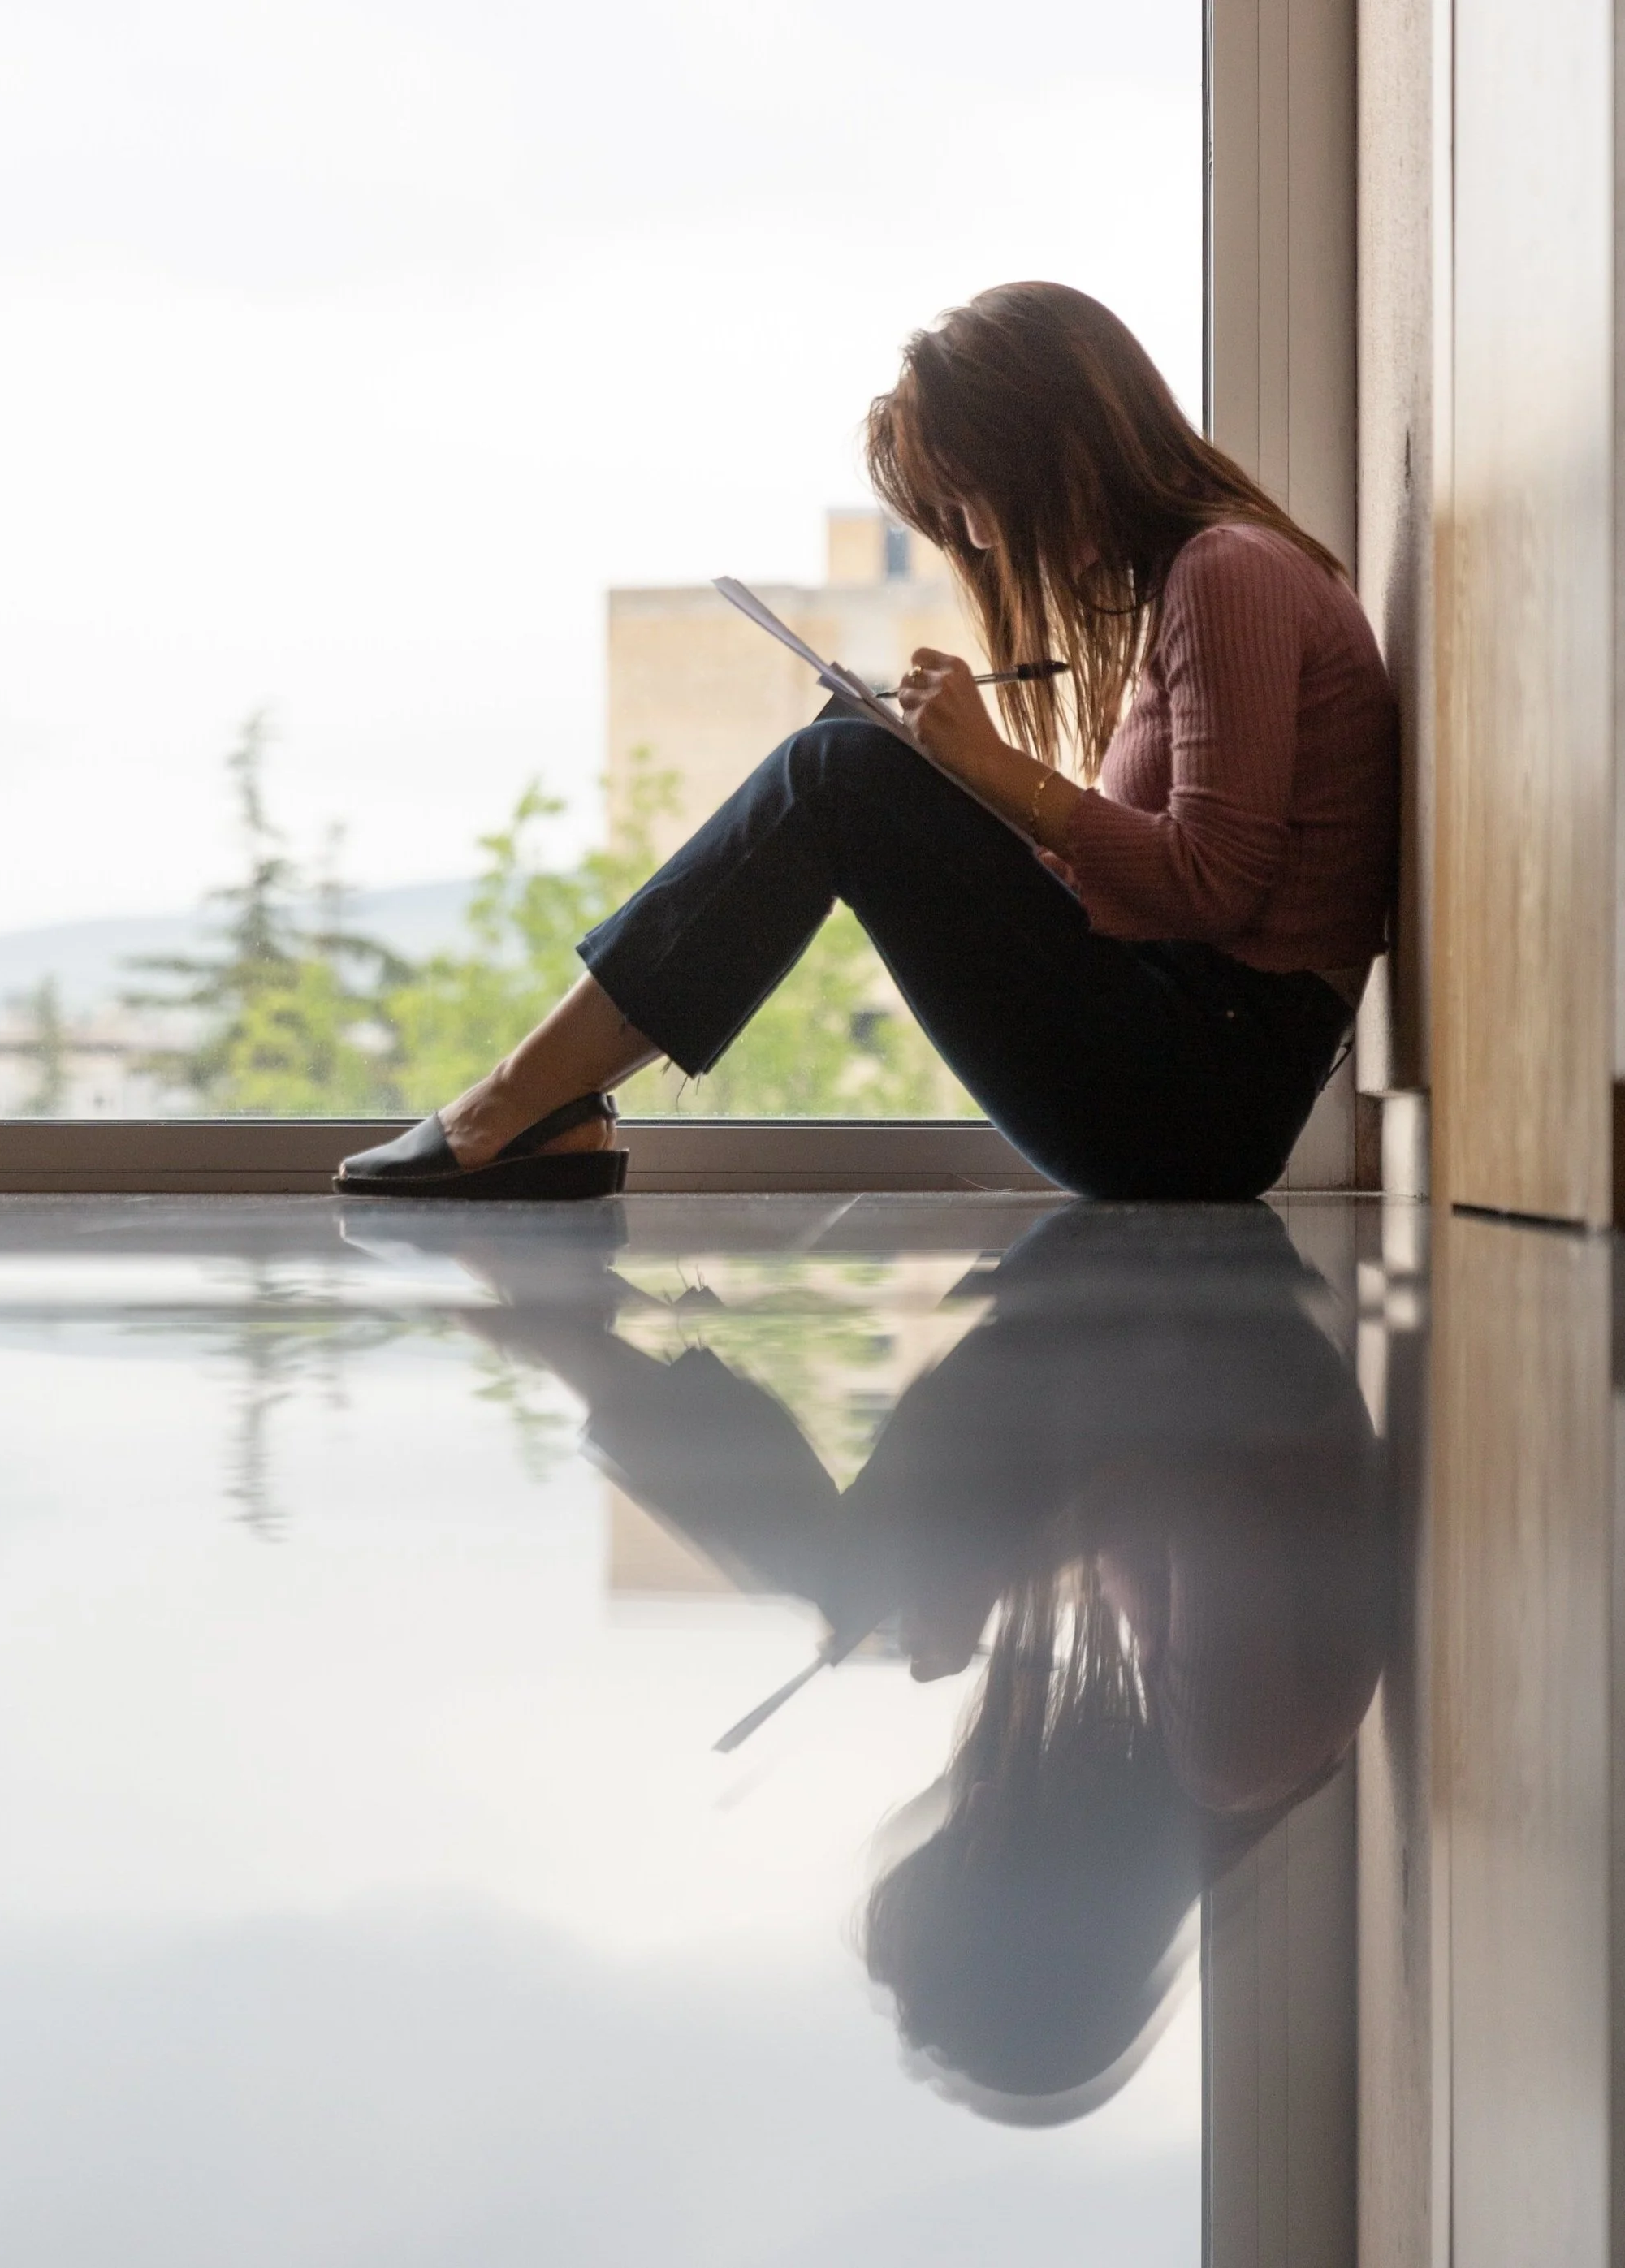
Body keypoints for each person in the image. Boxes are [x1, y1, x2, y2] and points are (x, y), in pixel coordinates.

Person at [337, 281, 1399, 1203]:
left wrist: (994, 769)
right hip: (1192, 1060)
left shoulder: (1230, 573)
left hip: (1205, 1092)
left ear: (1055, 450)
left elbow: (1212, 888)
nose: (979, 538)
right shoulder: (1207, 576)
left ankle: (522, 1105)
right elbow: (1171, 891)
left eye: (973, 499)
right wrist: (970, 797)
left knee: (836, 771)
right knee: (856, 745)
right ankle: (541, 1105)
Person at [417, 1199, 1392, 2122]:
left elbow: (1171, 1504)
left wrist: (987, 1576)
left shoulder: (1210, 1765)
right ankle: (570, 1336)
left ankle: (573, 1338)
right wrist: (995, 1572)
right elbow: (1200, 1501)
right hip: (1193, 1306)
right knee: (850, 1577)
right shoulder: (1234, 1759)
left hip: (1174, 1323)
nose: (970, 1807)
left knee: (864, 1586)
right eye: (968, 1854)